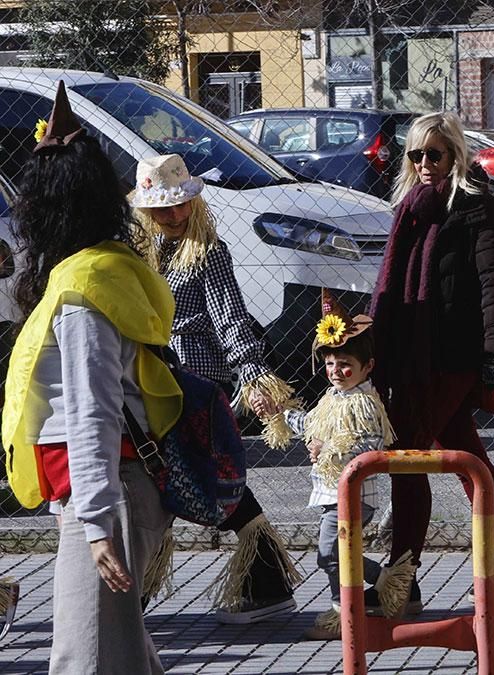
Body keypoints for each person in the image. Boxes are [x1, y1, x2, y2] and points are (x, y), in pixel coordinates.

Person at [1, 82, 176, 673]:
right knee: (122, 658)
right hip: (105, 493)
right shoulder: (101, 271)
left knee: (82, 659)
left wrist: (97, 525)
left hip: (106, 497)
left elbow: (92, 411)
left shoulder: (82, 292)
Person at [372, 111, 494, 607]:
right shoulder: (409, 207)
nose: (425, 164)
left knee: (406, 457)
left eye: (435, 154)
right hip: (413, 356)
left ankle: (402, 578)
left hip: (450, 356)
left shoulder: (475, 205)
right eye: (416, 155)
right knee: (469, 457)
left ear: (456, 155)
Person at [130, 154, 301, 624]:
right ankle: (266, 584)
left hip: (197, 386)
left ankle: (135, 604)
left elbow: (230, 321)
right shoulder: (135, 254)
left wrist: (254, 376)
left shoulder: (209, 252)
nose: (176, 215)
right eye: (163, 209)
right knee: (174, 480)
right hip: (149, 381)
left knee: (180, 480)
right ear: (145, 211)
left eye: (183, 204)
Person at [253, 290, 410, 639]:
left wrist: (329, 450)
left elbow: (369, 446)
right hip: (334, 493)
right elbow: (313, 426)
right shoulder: (336, 397)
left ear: (367, 367)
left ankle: (344, 615)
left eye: (345, 366)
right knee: (338, 555)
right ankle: (383, 583)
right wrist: (280, 412)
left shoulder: (365, 403)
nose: (336, 372)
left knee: (330, 555)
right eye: (330, 365)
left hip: (353, 494)